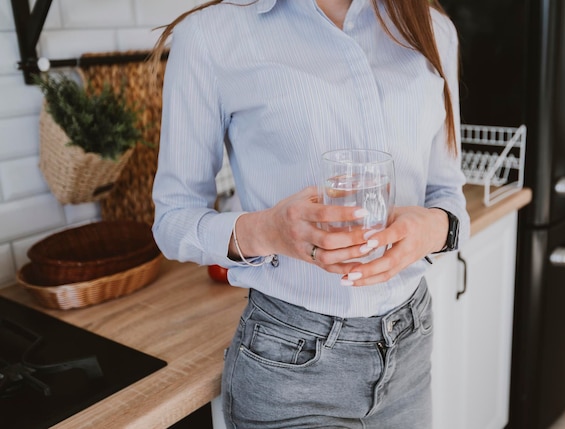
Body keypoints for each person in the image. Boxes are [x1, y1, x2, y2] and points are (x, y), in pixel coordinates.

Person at [151, 0, 470, 427]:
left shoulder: (432, 29)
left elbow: (448, 194)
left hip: (410, 343)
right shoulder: (211, 35)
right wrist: (267, 231)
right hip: (291, 363)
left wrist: (434, 228)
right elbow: (173, 218)